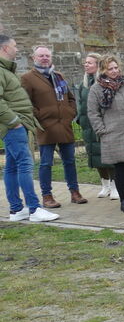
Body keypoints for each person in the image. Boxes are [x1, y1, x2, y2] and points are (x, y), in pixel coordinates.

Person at [1, 34, 58, 222]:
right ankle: (34, 209)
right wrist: (14, 121)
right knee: (25, 164)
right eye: (14, 46)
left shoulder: (6, 70)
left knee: (11, 167)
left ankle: (17, 210)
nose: (17, 49)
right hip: (13, 126)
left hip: (16, 125)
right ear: (5, 48)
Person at [21, 45, 84, 207]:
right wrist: (40, 116)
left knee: (69, 161)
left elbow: (70, 98)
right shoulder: (28, 78)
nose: (44, 58)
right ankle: (47, 196)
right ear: (33, 58)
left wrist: (70, 112)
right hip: (45, 127)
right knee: (46, 163)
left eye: (47, 56)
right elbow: (26, 102)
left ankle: (74, 192)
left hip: (64, 126)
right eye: (41, 56)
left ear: (51, 57)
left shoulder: (58, 76)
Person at [87, 55, 124, 213]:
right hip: (113, 135)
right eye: (110, 69)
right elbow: (93, 113)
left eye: (116, 68)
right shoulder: (96, 89)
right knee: (120, 168)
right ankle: (123, 200)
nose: (114, 71)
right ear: (103, 70)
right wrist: (102, 131)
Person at [75, 52, 117, 200]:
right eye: (85, 62)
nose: (86, 65)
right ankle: (105, 185)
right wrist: (80, 119)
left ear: (98, 65)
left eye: (89, 62)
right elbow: (81, 104)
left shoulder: (105, 82)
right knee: (95, 156)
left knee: (108, 156)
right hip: (88, 126)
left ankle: (114, 186)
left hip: (103, 124)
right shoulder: (84, 84)